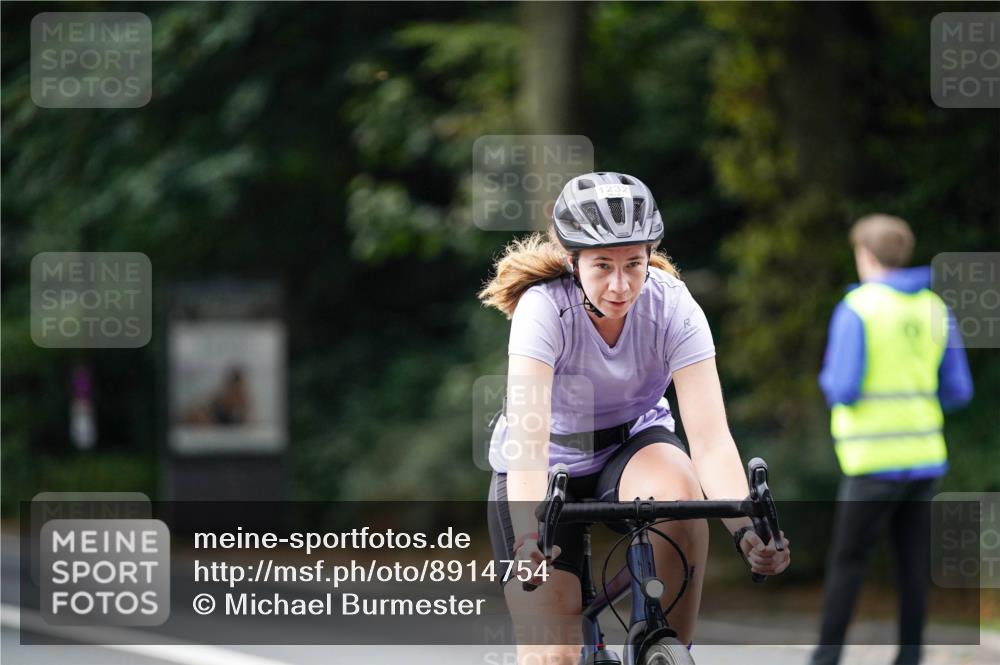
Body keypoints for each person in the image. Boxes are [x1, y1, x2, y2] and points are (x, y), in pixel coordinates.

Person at [478, 172, 791, 665]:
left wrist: (746, 529)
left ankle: (664, 647)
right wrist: (526, 539)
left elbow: (710, 439)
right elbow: (530, 440)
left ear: (649, 256)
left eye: (634, 264)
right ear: (572, 260)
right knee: (552, 655)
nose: (620, 285)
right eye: (602, 266)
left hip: (633, 443)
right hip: (545, 459)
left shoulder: (673, 305)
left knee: (683, 503)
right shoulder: (542, 310)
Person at [810, 214, 973, 665]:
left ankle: (825, 659)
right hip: (924, 460)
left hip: (872, 461)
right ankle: (910, 657)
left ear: (865, 255)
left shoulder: (859, 308)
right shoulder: (934, 309)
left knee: (848, 564)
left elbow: (841, 386)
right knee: (913, 565)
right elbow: (959, 391)